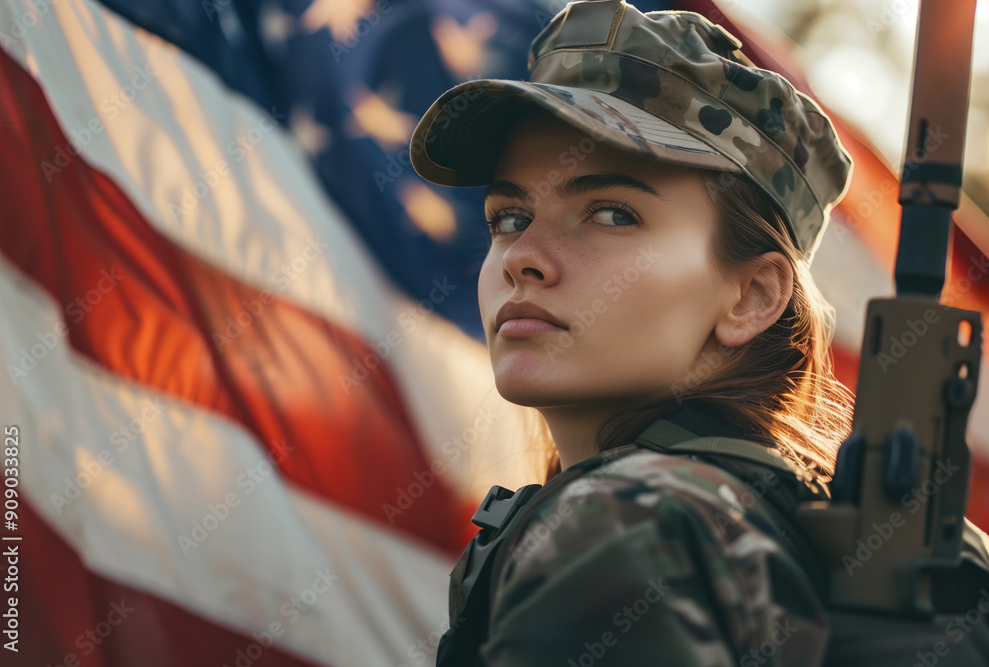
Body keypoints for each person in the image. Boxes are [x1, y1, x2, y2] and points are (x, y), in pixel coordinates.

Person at [408, 2, 989, 665]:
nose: (522, 256)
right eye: (509, 216)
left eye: (611, 213)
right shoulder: (776, 528)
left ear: (751, 296)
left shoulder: (624, 524)